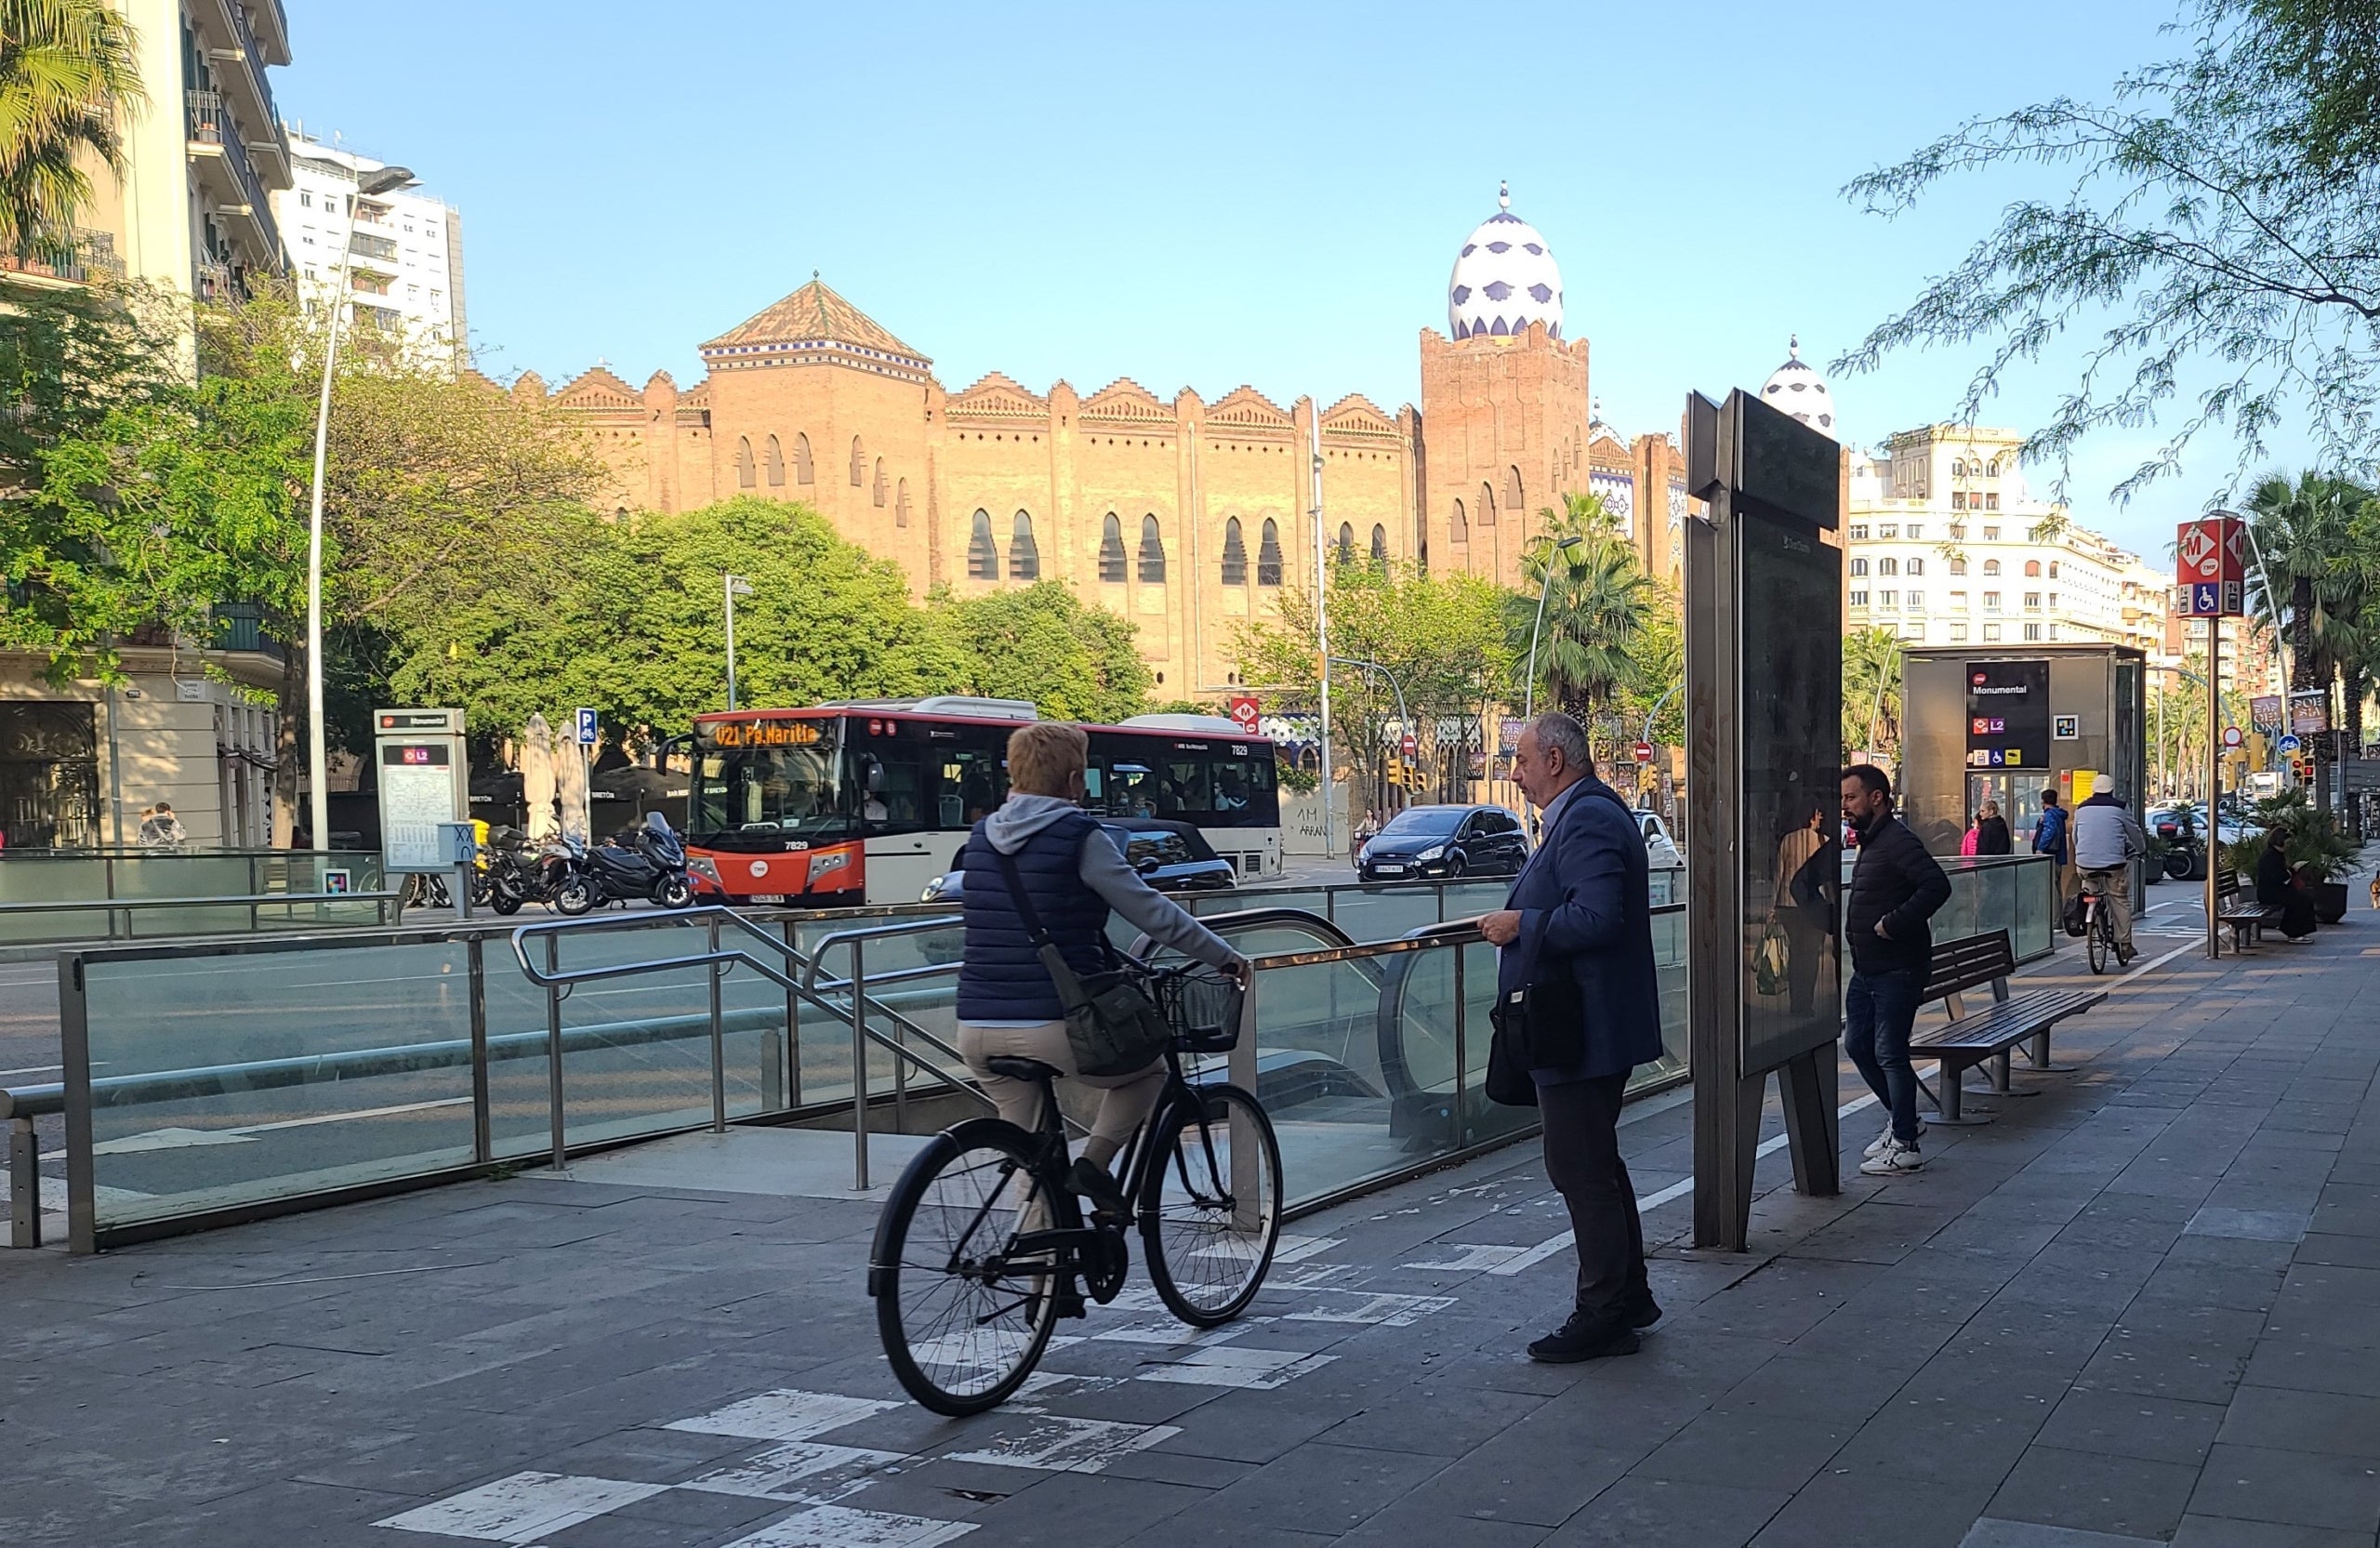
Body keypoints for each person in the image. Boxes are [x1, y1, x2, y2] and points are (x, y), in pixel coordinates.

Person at [954, 722, 1252, 1219]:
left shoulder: (982, 836)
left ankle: (1045, 1286)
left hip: (976, 1026)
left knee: (1033, 1161)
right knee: (1150, 1074)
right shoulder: (1079, 835)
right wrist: (1225, 956)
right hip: (1055, 1023)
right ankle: (1093, 1165)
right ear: (1074, 782)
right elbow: (1154, 913)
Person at [1477, 712, 1664, 1362]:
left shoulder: (1586, 818)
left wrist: (1520, 923)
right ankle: (1628, 1294)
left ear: (1555, 759)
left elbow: (1596, 916)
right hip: (1583, 1022)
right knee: (1595, 1162)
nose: (1516, 774)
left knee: (1578, 1166)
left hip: (1581, 1028)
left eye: (1522, 761)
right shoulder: (1588, 813)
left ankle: (1603, 1310)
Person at [1840, 764, 1952, 1177]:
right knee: (1857, 1045)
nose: (1845, 807)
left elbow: (1936, 885)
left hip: (1897, 969)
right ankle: (1904, 1121)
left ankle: (1906, 1144)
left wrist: (1894, 922)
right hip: (1868, 969)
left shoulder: (1896, 840)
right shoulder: (1872, 841)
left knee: (1889, 1051)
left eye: (1851, 798)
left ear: (1876, 798)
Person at [2071, 774, 2147, 963]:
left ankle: (2091, 911)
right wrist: (2142, 848)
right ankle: (2125, 943)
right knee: (2119, 899)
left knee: (2090, 889)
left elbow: (2075, 837)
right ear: (2112, 789)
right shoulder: (2119, 807)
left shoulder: (2081, 808)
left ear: (2093, 789)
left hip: (2085, 864)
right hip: (2113, 865)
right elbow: (2134, 831)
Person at [1769, 806, 1831, 1018]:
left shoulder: (1788, 840)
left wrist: (1772, 905)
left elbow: (1779, 873)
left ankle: (1795, 1003)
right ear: (1813, 816)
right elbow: (1828, 882)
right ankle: (1806, 1004)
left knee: (1796, 954)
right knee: (1811, 957)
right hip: (1813, 907)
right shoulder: (1824, 841)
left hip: (1787, 905)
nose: (1821, 817)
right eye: (1819, 814)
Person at [2255, 827, 2318, 940]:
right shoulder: (2269, 857)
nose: (2289, 845)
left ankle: (2296, 930)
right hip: (2269, 893)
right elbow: (2279, 877)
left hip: (2276, 890)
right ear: (2280, 841)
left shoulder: (2276, 854)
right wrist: (2293, 869)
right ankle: (2293, 932)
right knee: (2299, 901)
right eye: (2287, 842)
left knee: (2303, 898)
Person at [2032, 786, 2072, 894]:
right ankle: (2058, 911)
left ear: (2043, 801)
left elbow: (2049, 831)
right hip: (2058, 856)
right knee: (2056, 887)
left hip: (2050, 856)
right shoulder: (2058, 814)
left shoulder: (2049, 815)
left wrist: (2040, 848)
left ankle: (2052, 911)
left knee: (2050, 888)